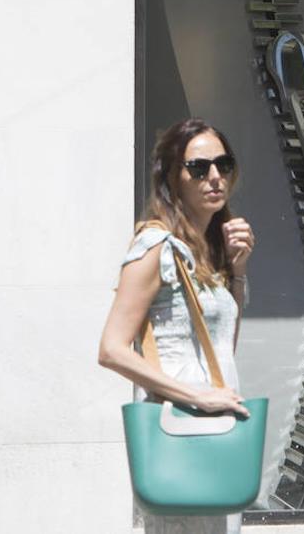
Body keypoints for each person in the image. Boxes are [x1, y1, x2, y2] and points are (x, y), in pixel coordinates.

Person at [98, 119, 256, 534]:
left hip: (215, 425)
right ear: (173, 178)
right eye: (199, 168)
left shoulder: (202, 253)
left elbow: (223, 349)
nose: (215, 177)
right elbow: (111, 349)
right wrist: (197, 397)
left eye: (224, 164)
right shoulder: (155, 247)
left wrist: (237, 273)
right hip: (183, 424)